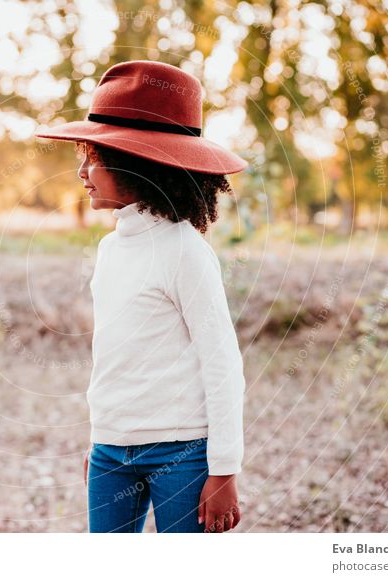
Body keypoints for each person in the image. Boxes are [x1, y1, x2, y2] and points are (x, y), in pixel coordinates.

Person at [34, 60, 248, 533]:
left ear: (138, 163)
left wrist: (223, 470)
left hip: (184, 454)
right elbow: (111, 354)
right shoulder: (112, 248)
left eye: (94, 157)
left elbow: (222, 364)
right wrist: (101, 438)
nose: (82, 172)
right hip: (112, 452)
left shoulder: (185, 251)